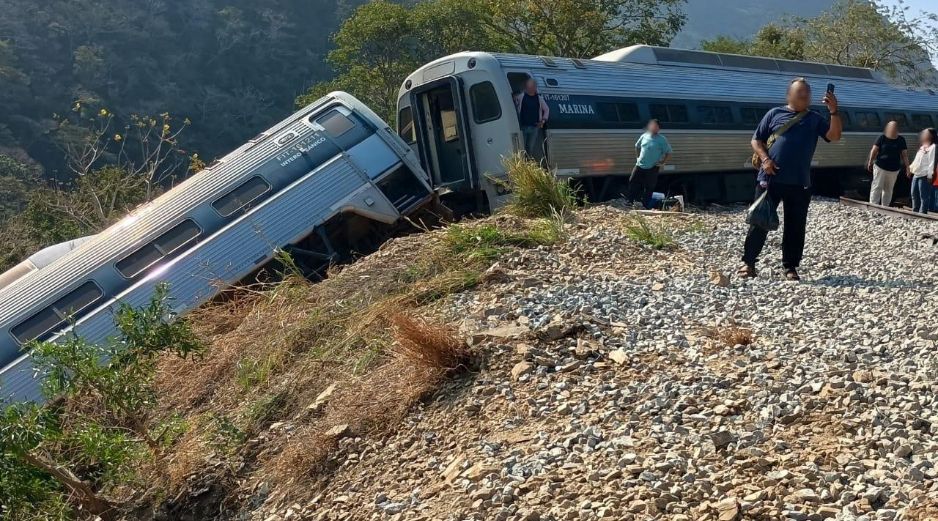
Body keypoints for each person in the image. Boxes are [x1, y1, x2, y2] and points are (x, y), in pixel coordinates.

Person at [739, 77, 842, 281]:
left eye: (807, 92)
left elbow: (834, 136)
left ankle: (790, 267)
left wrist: (833, 112)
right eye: (800, 91)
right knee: (759, 221)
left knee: (796, 226)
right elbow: (756, 140)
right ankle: (748, 263)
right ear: (789, 95)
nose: (804, 95)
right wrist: (765, 159)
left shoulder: (814, 118)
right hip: (770, 179)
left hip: (799, 181)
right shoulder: (774, 114)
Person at [629, 119, 672, 208]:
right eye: (652, 125)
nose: (653, 127)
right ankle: (630, 201)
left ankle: (645, 205)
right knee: (632, 181)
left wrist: (663, 162)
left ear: (659, 128)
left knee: (649, 187)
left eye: (655, 126)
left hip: (652, 167)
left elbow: (669, 152)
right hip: (639, 165)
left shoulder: (662, 139)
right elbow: (637, 146)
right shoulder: (644, 136)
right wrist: (637, 158)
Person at [866, 121, 909, 206]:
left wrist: (907, 167)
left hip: (894, 168)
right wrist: (870, 161)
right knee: (877, 186)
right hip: (880, 166)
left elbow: (904, 155)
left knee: (888, 189)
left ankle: (885, 207)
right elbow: (874, 150)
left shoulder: (901, 140)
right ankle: (873, 205)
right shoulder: (882, 138)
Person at [513, 78, 549, 164]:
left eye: (532, 87)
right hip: (523, 126)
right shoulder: (521, 96)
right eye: (529, 87)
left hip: (534, 127)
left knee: (530, 148)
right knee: (522, 147)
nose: (530, 89)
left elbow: (546, 109)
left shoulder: (539, 99)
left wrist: (543, 121)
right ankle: (523, 164)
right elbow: (514, 100)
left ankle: (528, 164)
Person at [908, 127, 936, 214]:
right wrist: (910, 169)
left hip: (924, 175)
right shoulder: (922, 147)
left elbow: (932, 162)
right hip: (916, 173)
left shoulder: (933, 147)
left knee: (923, 195)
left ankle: (922, 214)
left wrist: (930, 175)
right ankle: (915, 211)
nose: (923, 135)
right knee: (914, 193)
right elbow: (916, 160)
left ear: (930, 136)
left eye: (925, 133)